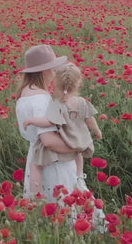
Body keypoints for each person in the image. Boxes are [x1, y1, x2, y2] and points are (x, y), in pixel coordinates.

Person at [15, 44, 82, 201]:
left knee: (42, 209)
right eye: (52, 69)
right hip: (52, 163)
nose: (54, 73)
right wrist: (76, 147)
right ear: (44, 70)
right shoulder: (40, 99)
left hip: (36, 158)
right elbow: (48, 140)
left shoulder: (24, 94)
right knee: (60, 209)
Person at [23, 62, 102, 192]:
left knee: (37, 165)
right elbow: (90, 119)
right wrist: (97, 131)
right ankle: (79, 174)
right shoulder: (82, 102)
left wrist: (32, 120)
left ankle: (35, 195)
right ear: (78, 83)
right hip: (81, 140)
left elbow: (49, 122)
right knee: (79, 154)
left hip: (68, 139)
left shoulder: (58, 104)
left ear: (56, 83)